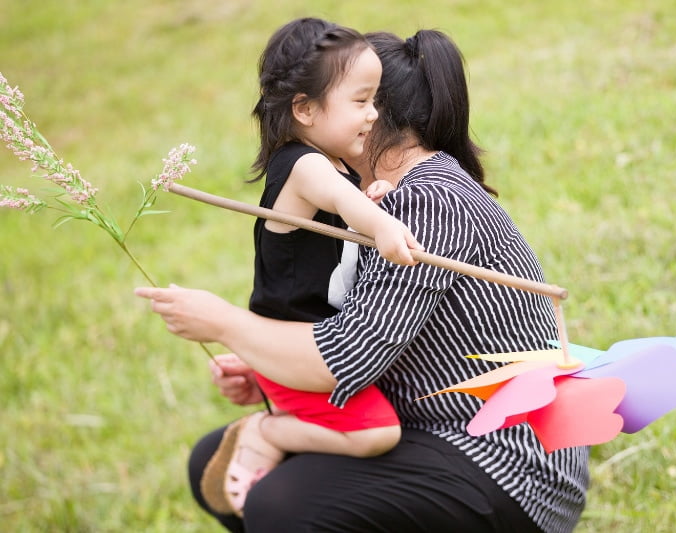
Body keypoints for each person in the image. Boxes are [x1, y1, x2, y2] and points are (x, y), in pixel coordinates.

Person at [136, 27, 589, 533]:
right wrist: (267, 361)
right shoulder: (381, 197)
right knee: (211, 463)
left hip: (502, 459)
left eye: (368, 101)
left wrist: (227, 323)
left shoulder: (425, 201)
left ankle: (270, 438)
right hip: (423, 427)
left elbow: (343, 356)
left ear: (377, 116)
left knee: (281, 502)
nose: (364, 113)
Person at [196, 18, 426, 518]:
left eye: (376, 99)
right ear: (304, 108)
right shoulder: (301, 165)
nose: (374, 114)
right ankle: (265, 433)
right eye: (361, 101)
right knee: (377, 432)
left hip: (309, 344)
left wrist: (371, 202)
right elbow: (339, 199)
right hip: (291, 348)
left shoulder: (334, 167)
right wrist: (378, 221)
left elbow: (343, 205)